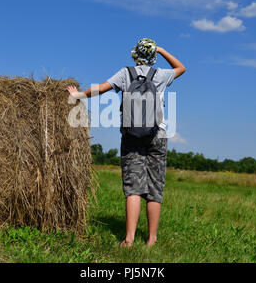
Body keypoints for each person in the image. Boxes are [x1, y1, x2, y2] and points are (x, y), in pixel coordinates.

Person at [67, 38, 186, 247]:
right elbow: (181, 68)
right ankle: (151, 240)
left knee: (133, 188)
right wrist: (161, 50)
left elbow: (101, 89)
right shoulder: (161, 75)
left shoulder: (125, 73)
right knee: (154, 188)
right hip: (158, 135)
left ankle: (129, 239)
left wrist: (78, 95)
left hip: (131, 136)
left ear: (135, 55)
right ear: (153, 56)